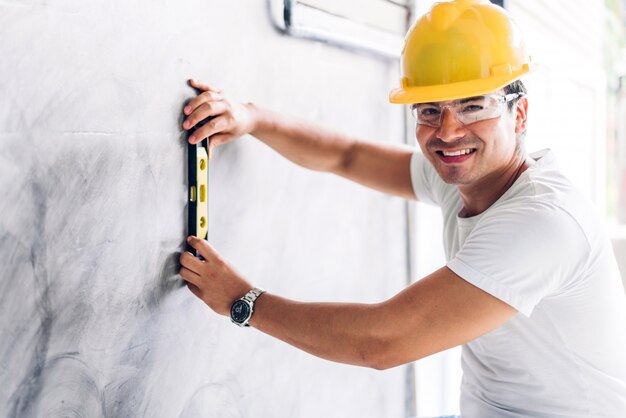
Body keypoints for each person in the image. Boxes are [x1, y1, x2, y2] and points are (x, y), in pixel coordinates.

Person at [178, 0, 626, 416]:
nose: (448, 132)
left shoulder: (542, 223)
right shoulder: (467, 172)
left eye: (473, 106)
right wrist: (253, 118)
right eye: (429, 110)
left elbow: (382, 341)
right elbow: (348, 155)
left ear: (520, 114)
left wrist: (242, 300)